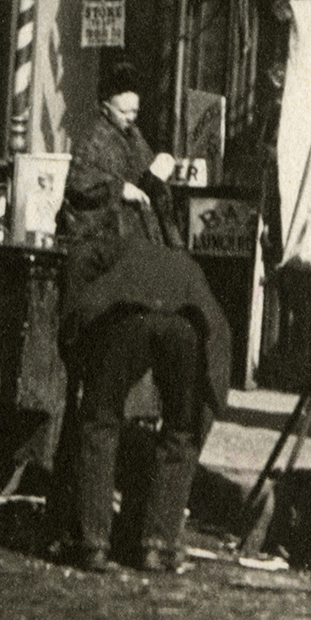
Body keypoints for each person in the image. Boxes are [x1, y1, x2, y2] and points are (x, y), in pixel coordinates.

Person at [59, 233, 232, 575]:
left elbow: (77, 272)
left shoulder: (106, 249)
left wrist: (75, 350)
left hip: (129, 317)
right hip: (187, 324)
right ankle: (157, 548)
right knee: (182, 433)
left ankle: (93, 545)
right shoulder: (179, 262)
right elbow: (218, 340)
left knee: (99, 421)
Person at [59, 61, 176, 245]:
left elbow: (144, 183)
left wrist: (157, 173)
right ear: (105, 108)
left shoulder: (135, 136)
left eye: (135, 112)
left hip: (136, 235)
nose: (130, 118)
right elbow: (79, 187)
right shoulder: (93, 140)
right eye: (123, 112)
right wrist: (119, 189)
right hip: (107, 239)